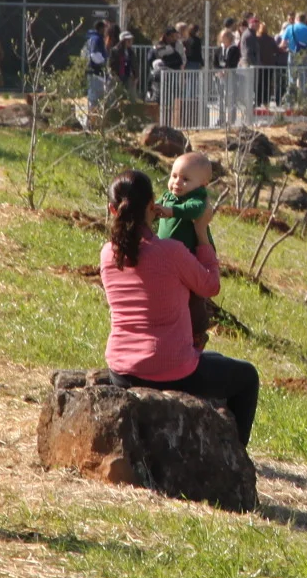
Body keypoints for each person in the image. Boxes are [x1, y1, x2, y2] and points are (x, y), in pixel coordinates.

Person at [98, 169, 260, 444]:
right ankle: (234, 458)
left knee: (217, 360)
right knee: (247, 377)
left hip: (121, 370)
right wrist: (201, 233)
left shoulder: (107, 254)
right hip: (169, 370)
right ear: (153, 205)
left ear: (112, 209)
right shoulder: (171, 252)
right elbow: (210, 286)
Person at [154, 151, 217, 349]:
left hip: (191, 258)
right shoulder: (168, 196)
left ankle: (197, 334)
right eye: (174, 176)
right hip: (168, 259)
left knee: (194, 299)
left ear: (203, 185)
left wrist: (172, 211)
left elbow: (196, 210)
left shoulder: (197, 198)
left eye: (185, 179)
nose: (177, 183)